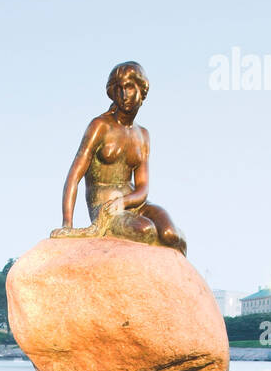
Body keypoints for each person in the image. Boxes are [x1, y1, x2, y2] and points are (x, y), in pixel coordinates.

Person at [52, 61, 186, 253]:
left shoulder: (143, 135)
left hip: (134, 204)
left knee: (171, 235)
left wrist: (125, 201)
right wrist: (67, 225)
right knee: (145, 230)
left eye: (130, 88)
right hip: (106, 208)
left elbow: (143, 188)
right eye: (119, 89)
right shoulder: (100, 126)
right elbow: (73, 177)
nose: (124, 96)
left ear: (142, 90)